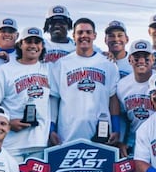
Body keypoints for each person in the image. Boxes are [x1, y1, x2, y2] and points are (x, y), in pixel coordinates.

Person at [0, 26, 52, 161]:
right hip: (11, 144)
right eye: (29, 41)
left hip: (39, 142)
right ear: (21, 44)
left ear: (42, 46)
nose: (33, 46)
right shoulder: (5, 70)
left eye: (37, 42)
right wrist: (7, 122)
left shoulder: (49, 70)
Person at [50, 18, 121, 146]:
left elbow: (113, 98)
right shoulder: (61, 64)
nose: (84, 36)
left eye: (88, 32)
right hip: (67, 133)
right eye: (80, 32)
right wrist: (51, 128)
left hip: (101, 133)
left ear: (94, 35)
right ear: (74, 36)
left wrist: (116, 128)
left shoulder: (108, 64)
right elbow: (54, 99)